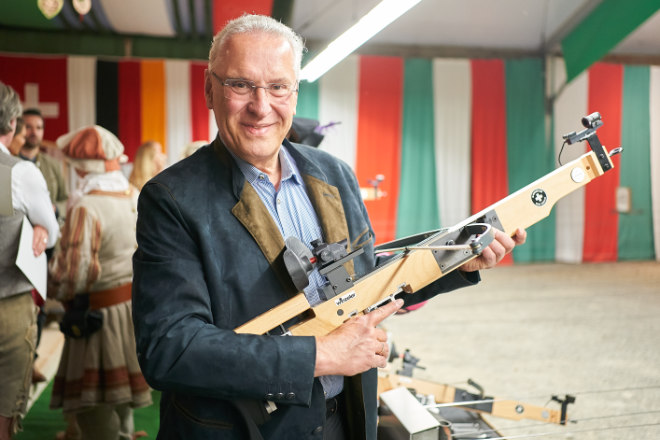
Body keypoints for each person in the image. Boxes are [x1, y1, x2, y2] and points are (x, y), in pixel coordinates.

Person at [131, 14, 526, 440]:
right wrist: (319, 355)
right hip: (245, 429)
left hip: (345, 419)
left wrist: (455, 262)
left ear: (295, 93)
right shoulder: (171, 199)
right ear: (211, 88)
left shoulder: (334, 175)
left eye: (278, 86)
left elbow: (370, 280)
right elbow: (170, 348)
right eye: (241, 85)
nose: (261, 106)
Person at [48, 125, 152, 440]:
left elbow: (76, 275)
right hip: (130, 309)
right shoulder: (133, 194)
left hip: (98, 314)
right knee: (121, 395)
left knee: (96, 402)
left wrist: (55, 292)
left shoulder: (85, 206)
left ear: (80, 168)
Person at [0, 81, 59, 440]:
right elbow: (51, 234)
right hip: (8, 305)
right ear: (12, 125)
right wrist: (39, 226)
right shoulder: (20, 173)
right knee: (5, 415)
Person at [20, 108, 69, 220]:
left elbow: (65, 200)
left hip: (49, 228)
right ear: (18, 129)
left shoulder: (53, 164)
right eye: (28, 127)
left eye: (38, 128)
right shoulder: (11, 162)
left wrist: (55, 208)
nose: (34, 132)